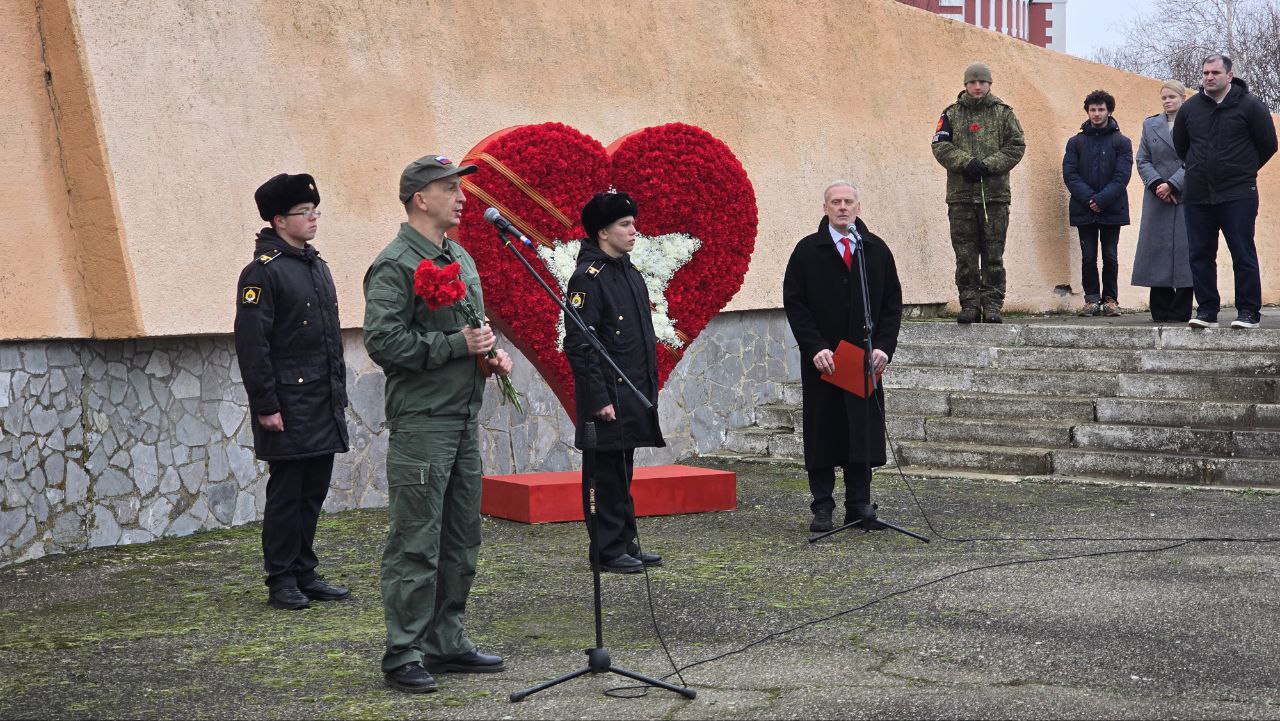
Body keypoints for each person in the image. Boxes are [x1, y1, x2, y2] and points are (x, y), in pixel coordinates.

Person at [363, 155, 514, 693]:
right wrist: (455, 345)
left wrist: (490, 355)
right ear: (419, 199)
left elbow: (473, 328)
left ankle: (445, 640)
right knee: (416, 540)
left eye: (461, 188)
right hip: (424, 422)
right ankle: (403, 651)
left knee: (461, 537)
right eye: (450, 189)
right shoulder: (396, 264)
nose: (462, 197)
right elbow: (383, 342)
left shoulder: (460, 257)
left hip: (462, 417)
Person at [234, 173, 351, 611]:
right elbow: (253, 344)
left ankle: (305, 569)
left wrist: (336, 396)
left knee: (312, 491)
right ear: (280, 220)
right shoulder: (262, 273)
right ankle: (281, 577)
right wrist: (266, 405)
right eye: (304, 213)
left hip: (320, 402)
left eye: (315, 211)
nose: (313, 218)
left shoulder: (315, 266)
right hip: (287, 405)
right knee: (287, 494)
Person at [782, 181, 903, 534]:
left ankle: (859, 505)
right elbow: (795, 303)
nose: (842, 208)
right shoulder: (807, 251)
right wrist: (815, 346)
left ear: (859, 208)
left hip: (863, 360)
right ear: (825, 208)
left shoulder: (875, 250)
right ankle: (822, 506)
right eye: (835, 202)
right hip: (824, 361)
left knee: (860, 432)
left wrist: (883, 346)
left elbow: (891, 305)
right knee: (823, 433)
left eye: (848, 202)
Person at [563, 191, 665, 574]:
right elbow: (579, 345)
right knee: (603, 473)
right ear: (603, 232)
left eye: (632, 223)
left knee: (624, 468)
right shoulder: (588, 279)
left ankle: (624, 540)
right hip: (607, 397)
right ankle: (605, 549)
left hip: (633, 390)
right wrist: (598, 398)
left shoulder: (629, 272)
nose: (634, 230)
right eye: (625, 224)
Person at [1173, 53, 1278, 329]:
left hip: (1238, 194)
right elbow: (1182, 147)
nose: (1209, 77)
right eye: (1205, 73)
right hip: (1197, 194)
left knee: (1242, 253)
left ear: (1229, 76)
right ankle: (1207, 311)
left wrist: (1242, 170)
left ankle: (1248, 313)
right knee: (1200, 254)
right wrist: (1198, 169)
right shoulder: (1190, 108)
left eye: (1215, 73)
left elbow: (1268, 144)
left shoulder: (1251, 106)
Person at [931, 62, 1026, 324]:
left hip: (994, 197)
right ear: (965, 85)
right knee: (965, 256)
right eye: (972, 82)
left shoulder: (1004, 114)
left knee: (994, 255)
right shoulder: (951, 114)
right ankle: (970, 304)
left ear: (989, 84)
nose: (977, 86)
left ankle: (993, 305)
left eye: (982, 82)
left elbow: (1016, 145)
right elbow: (940, 145)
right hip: (961, 197)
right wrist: (966, 163)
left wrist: (989, 165)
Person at [1063, 89, 1133, 317]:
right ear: (1087, 111)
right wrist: (1089, 199)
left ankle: (1111, 300)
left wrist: (1101, 200)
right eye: (1092, 109)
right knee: (1088, 256)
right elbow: (1070, 174)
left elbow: (1122, 176)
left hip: (1112, 208)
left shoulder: (1121, 142)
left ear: (1109, 111)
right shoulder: (1076, 142)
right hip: (1084, 209)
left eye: (1101, 109)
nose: (1096, 113)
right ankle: (1091, 299)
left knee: (1110, 256)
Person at [1133, 80, 1194, 322]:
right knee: (1156, 250)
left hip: (1185, 194)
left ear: (1183, 98)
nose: (1167, 101)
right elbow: (1142, 159)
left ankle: (1181, 308)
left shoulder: (1194, 124)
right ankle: (1160, 307)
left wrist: (1174, 184)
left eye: (1172, 97)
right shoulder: (1150, 125)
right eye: (1164, 98)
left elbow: (1195, 157)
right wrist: (1159, 183)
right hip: (1157, 195)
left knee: (1185, 250)